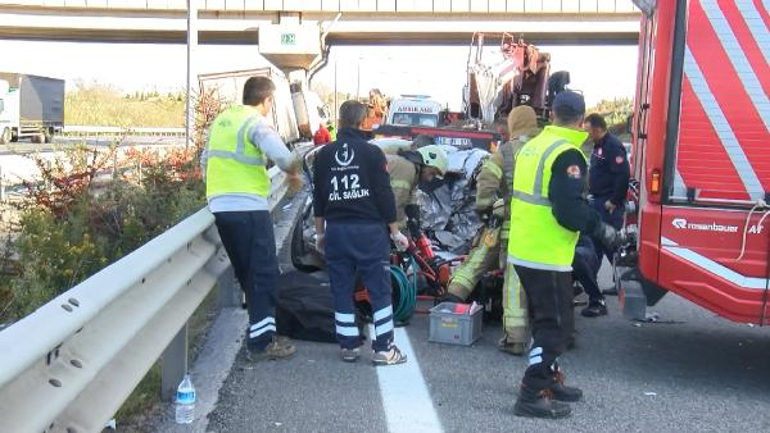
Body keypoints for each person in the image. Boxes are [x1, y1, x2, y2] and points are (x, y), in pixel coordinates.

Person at [508, 91, 620, 418]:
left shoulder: (535, 146)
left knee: (548, 320)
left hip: (526, 248)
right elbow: (567, 210)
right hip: (546, 253)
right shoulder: (567, 153)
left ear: (552, 114)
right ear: (581, 120)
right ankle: (531, 394)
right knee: (556, 328)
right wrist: (602, 231)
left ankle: (550, 381)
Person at [201, 76, 302, 361]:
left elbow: (204, 161)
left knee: (247, 272)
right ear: (267, 100)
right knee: (264, 273)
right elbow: (282, 156)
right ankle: (261, 343)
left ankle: (260, 330)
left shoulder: (222, 120)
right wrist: (294, 172)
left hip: (220, 206)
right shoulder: (255, 122)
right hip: (248, 207)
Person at [312, 100, 410, 366]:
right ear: (360, 122)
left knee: (341, 288)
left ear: (341, 122)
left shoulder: (323, 155)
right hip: (368, 232)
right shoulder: (372, 154)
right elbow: (383, 195)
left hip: (336, 232)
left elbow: (319, 199)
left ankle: (348, 346)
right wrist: (395, 231)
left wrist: (320, 234)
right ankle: (385, 348)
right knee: (379, 290)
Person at [444, 106, 540, 355]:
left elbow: (487, 179)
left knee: (511, 281)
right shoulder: (546, 148)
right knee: (547, 281)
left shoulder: (507, 151)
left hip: (511, 226)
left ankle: (515, 339)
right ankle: (557, 333)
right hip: (546, 231)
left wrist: (486, 208)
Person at [584, 113, 630, 267]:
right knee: (596, 243)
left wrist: (614, 201)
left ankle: (621, 282)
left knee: (611, 245)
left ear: (597, 129)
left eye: (588, 131)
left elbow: (622, 175)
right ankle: (592, 285)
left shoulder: (612, 145)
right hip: (597, 201)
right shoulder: (598, 145)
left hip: (608, 204)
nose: (587, 135)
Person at [386, 144, 448, 230]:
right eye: (432, 173)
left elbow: (410, 199)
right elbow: (395, 205)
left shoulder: (413, 170)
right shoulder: (407, 169)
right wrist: (403, 230)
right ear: (425, 163)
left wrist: (413, 218)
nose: (430, 179)